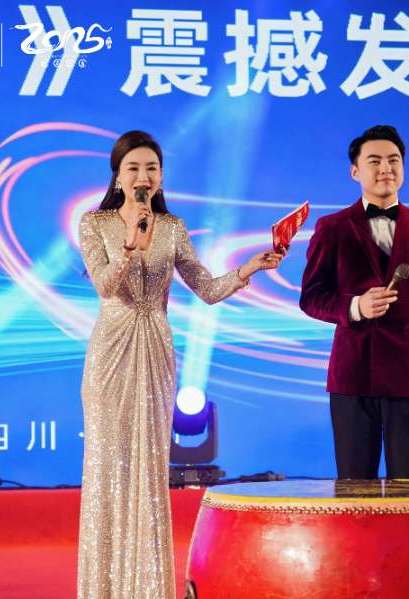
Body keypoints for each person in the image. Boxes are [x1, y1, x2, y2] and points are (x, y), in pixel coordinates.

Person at [76, 130, 284, 598]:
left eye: (151, 168)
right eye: (133, 168)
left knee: (150, 466)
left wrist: (249, 269)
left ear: (161, 176)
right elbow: (105, 286)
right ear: (117, 177)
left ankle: (146, 587)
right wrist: (130, 245)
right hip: (111, 350)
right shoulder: (95, 223)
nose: (143, 177)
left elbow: (206, 289)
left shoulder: (172, 228)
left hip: (155, 347)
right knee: (108, 465)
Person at [299, 125, 409, 480]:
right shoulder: (332, 227)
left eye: (393, 160)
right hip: (352, 376)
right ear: (355, 171)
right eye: (374, 161)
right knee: (355, 487)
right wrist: (356, 306)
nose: (386, 168)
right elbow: (311, 297)